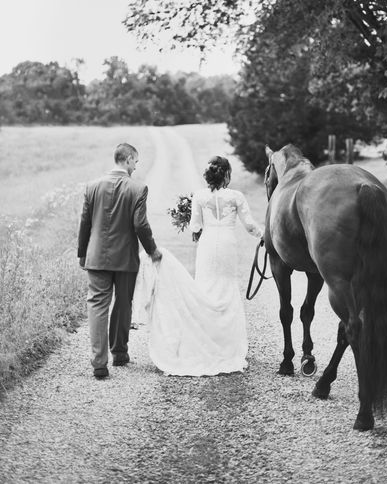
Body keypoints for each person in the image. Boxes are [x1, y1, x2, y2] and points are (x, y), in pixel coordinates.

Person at [145, 155, 263, 376]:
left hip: (208, 245)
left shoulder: (199, 196)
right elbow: (248, 225)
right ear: (227, 174)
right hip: (227, 245)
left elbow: (196, 226)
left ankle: (204, 338)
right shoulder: (236, 196)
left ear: (209, 176)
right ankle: (227, 344)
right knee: (226, 287)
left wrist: (195, 224)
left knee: (207, 286)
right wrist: (263, 235)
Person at [78, 143, 162, 379]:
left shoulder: (91, 186)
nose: (136, 166)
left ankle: (99, 364)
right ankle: (120, 352)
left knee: (97, 306)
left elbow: (84, 223)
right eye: (135, 161)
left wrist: (82, 253)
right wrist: (152, 250)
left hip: (96, 257)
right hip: (125, 258)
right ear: (127, 160)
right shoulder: (138, 188)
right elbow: (140, 225)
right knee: (123, 302)